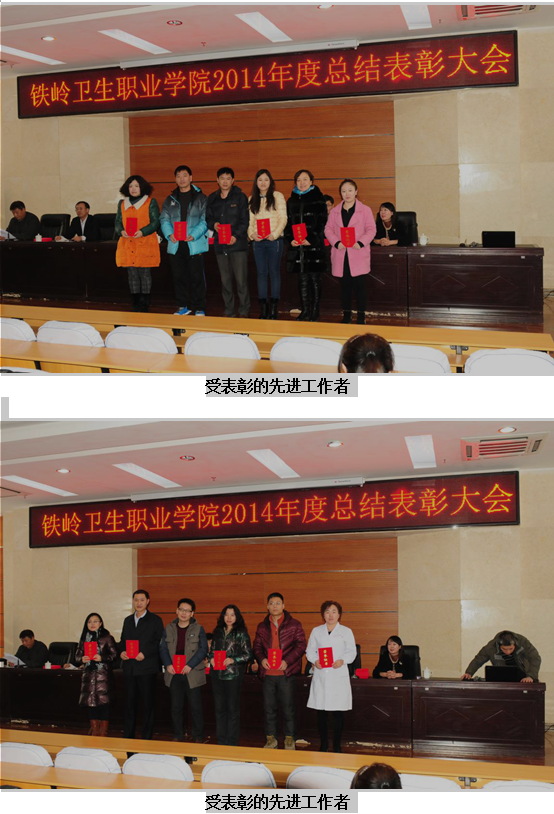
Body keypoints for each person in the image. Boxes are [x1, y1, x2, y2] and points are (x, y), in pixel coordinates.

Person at [253, 592, 307, 750]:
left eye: (278, 603)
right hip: (268, 674)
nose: (274, 606)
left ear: (283, 605)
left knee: (288, 708)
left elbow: (301, 646)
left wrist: (287, 661)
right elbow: (256, 647)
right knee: (269, 708)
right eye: (271, 603)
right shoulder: (262, 626)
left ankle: (290, 738)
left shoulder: (294, 624)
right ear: (267, 606)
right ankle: (271, 739)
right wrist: (262, 659)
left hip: (286, 673)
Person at [306, 601, 357, 753]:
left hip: (338, 675)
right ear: (323, 614)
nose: (330, 615)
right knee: (321, 712)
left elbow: (352, 652)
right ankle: (323, 744)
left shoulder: (346, 631)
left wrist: (342, 660)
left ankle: (336, 745)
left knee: (337, 713)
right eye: (327, 612)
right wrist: (315, 660)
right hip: (321, 675)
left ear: (339, 614)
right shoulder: (316, 631)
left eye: (334, 612)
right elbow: (310, 651)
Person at [325, 179, 376, 325]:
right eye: (343, 191)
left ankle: (361, 317)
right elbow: (328, 229)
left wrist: (361, 242)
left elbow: (371, 230)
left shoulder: (365, 210)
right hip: (341, 253)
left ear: (356, 192)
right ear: (340, 193)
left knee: (360, 287)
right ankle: (346, 316)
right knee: (345, 287)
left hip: (358, 252)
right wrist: (336, 242)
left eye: (350, 190)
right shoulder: (335, 211)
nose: (347, 194)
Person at [160, 164, 209, 317]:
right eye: (178, 176)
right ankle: (183, 306)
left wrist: (194, 234)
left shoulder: (201, 198)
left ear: (191, 178)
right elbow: (164, 219)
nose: (182, 179)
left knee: (197, 277)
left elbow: (205, 220)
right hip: (176, 243)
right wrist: (169, 234)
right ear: (175, 179)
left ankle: (199, 307)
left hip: (194, 243)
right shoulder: (170, 199)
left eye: (185, 175)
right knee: (178, 277)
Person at [159, 597, 208, 742]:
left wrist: (190, 665)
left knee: (195, 707)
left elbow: (203, 649)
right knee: (176, 707)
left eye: (187, 611)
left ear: (192, 613)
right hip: (173, 672)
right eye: (181, 610)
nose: (184, 613)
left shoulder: (198, 628)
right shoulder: (169, 628)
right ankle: (178, 735)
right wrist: (168, 664)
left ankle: (198, 736)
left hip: (192, 672)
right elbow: (162, 648)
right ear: (176, 610)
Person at [118, 589, 164, 740]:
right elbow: (123, 640)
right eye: (136, 600)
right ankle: (128, 737)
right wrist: (122, 652)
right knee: (129, 705)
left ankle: (146, 738)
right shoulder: (128, 620)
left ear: (148, 601)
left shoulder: (155, 620)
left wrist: (145, 653)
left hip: (147, 668)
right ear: (133, 601)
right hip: (130, 668)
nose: (139, 603)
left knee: (147, 705)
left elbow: (159, 642)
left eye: (142, 600)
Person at [206, 167, 250, 318]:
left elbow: (245, 220)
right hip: (220, 245)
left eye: (228, 178)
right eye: (222, 178)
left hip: (238, 245)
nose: (225, 181)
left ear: (233, 180)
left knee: (241, 281)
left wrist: (235, 236)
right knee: (225, 281)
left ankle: (243, 310)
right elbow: (208, 218)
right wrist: (214, 225)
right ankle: (229, 309)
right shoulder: (212, 198)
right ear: (217, 180)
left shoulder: (240, 197)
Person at [285, 169, 328, 321]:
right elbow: (288, 223)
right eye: (298, 180)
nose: (302, 183)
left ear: (311, 181)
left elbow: (322, 221)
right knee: (302, 280)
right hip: (298, 247)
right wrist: (291, 239)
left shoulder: (319, 198)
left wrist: (311, 239)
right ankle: (305, 310)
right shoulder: (291, 200)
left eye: (305, 179)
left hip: (314, 245)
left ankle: (315, 310)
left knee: (315, 279)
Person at [115, 174, 160, 313]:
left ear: (142, 187)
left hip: (145, 242)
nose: (133, 189)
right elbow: (117, 222)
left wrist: (142, 231)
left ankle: (145, 304)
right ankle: (135, 303)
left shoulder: (150, 202)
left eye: (136, 186)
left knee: (144, 273)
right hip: (128, 242)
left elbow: (155, 222)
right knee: (132, 274)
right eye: (130, 186)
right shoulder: (122, 203)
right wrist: (121, 231)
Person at [208, 604, 252, 745]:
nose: (229, 617)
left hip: (233, 676)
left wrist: (233, 659)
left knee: (232, 710)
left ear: (237, 617)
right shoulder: (218, 632)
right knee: (219, 709)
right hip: (217, 675)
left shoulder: (241, 633)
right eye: (226, 614)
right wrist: (211, 658)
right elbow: (211, 651)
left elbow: (248, 655)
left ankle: (232, 741)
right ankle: (221, 740)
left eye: (232, 615)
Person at [248, 169, 287, 320]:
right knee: (261, 273)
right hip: (258, 242)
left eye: (266, 179)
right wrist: (252, 234)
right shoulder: (252, 199)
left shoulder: (278, 196)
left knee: (274, 272)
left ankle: (274, 308)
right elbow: (249, 221)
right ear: (256, 182)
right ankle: (263, 308)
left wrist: (274, 234)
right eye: (260, 180)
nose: (263, 183)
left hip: (274, 241)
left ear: (270, 182)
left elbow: (283, 218)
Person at [74, 612, 118, 736]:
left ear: (101, 623)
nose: (92, 624)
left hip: (103, 676)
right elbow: (76, 657)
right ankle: (95, 731)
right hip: (89, 676)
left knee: (103, 704)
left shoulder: (107, 638)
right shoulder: (84, 638)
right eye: (89, 622)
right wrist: (82, 659)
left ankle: (103, 733)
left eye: (95, 621)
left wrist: (102, 658)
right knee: (91, 704)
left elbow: (115, 655)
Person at [462, 630, 541, 683]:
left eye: (511, 649)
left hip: (524, 675)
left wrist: (530, 676)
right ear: (499, 646)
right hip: (502, 679)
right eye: (504, 649)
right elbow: (479, 659)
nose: (508, 652)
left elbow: (535, 658)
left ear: (515, 644)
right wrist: (469, 673)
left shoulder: (523, 642)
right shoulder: (491, 646)